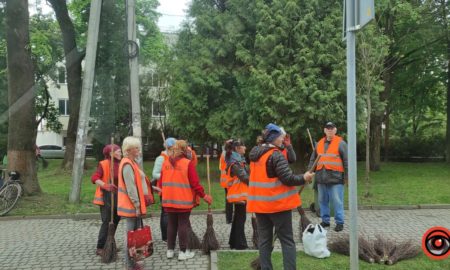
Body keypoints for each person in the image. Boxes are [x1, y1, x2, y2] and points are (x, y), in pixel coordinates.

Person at [248, 123, 314, 270]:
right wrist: (304, 177)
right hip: (278, 206)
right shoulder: (275, 155)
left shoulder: (255, 154)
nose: (282, 139)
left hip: (260, 207)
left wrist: (288, 147)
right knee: (287, 241)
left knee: (265, 241)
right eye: (280, 136)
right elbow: (288, 178)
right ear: (273, 138)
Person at [159, 140, 213, 261]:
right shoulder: (187, 163)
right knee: (182, 224)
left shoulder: (166, 162)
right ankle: (183, 252)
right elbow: (195, 183)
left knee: (171, 224)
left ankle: (170, 251)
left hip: (168, 199)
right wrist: (204, 196)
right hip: (183, 200)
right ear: (184, 150)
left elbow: (161, 181)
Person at [118, 137, 153, 270]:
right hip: (131, 207)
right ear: (128, 150)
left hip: (134, 206)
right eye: (136, 148)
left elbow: (138, 182)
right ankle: (129, 264)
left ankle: (133, 262)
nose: (139, 150)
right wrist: (137, 205)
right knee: (131, 237)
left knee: (134, 236)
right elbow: (131, 188)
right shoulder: (127, 165)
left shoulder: (131, 162)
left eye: (139, 147)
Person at [308, 122, 348, 232]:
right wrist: (309, 172)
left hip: (336, 178)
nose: (330, 130)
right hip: (321, 178)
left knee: (337, 201)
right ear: (324, 130)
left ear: (335, 130)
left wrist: (347, 177)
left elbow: (346, 161)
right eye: (327, 128)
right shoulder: (319, 143)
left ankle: (339, 222)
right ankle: (325, 221)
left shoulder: (341, 143)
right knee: (322, 200)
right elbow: (313, 160)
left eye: (332, 128)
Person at [91, 144, 122, 256]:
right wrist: (105, 185)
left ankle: (109, 243)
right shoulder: (103, 164)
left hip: (118, 196)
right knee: (107, 222)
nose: (120, 153)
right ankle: (100, 247)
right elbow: (94, 178)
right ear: (111, 153)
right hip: (106, 197)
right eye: (118, 151)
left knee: (116, 220)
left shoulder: (121, 163)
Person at [224, 139, 249, 250]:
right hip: (238, 195)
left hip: (239, 194)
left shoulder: (237, 161)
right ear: (237, 148)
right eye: (243, 146)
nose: (245, 148)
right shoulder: (235, 163)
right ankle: (240, 244)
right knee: (240, 219)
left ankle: (234, 242)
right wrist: (257, 181)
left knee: (238, 218)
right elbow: (244, 177)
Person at [151, 137, 176, 242]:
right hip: (164, 188)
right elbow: (155, 174)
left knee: (173, 212)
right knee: (165, 212)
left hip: (175, 188)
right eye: (173, 147)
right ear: (168, 147)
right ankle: (165, 236)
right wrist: (167, 175)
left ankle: (173, 233)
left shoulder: (175, 157)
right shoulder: (161, 158)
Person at [219, 140, 234, 224]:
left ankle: (228, 218)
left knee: (228, 199)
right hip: (230, 180)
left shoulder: (223, 154)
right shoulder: (230, 155)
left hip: (224, 180)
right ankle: (229, 218)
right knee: (231, 199)